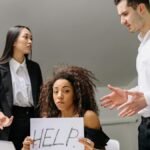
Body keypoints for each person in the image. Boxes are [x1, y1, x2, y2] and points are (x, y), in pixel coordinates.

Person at [100, 0, 150, 149]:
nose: (122, 21)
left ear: (141, 8)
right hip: (145, 126)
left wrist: (146, 99)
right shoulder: (143, 46)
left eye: (125, 14)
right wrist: (128, 96)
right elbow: (146, 87)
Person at [22, 65, 109, 150]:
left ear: (75, 95)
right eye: (55, 91)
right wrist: (26, 148)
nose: (59, 96)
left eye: (66, 91)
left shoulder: (88, 117)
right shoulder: (48, 119)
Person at [0, 25, 43, 150]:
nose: (30, 42)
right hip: (10, 121)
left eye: (31, 38)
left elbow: (41, 96)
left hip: (33, 120)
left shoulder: (34, 67)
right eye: (26, 37)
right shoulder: (1, 69)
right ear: (13, 41)